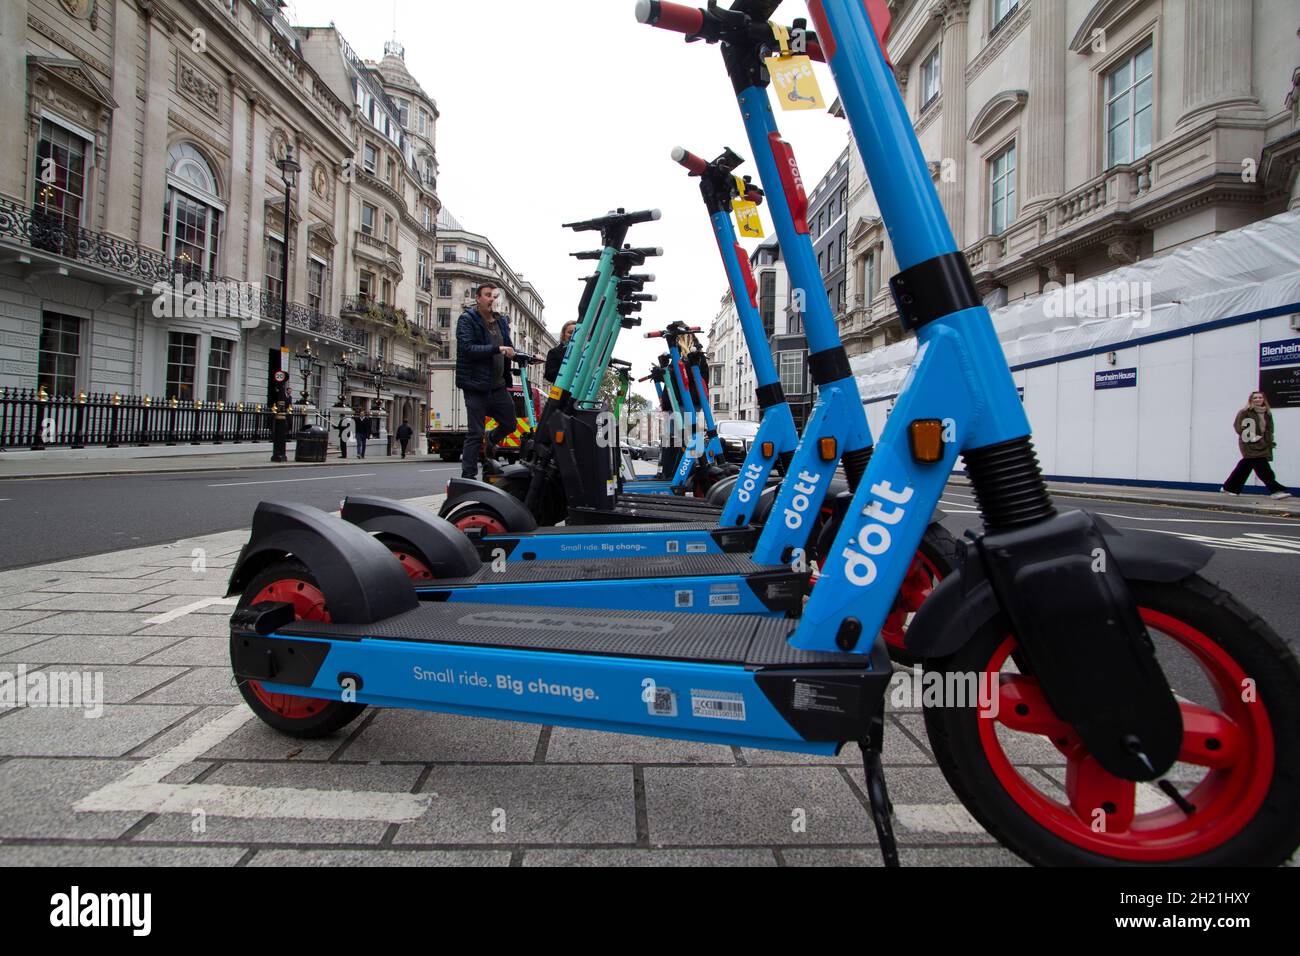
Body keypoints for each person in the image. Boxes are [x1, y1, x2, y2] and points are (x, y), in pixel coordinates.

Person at [456, 282, 517, 479]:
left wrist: (526, 356)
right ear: (478, 298)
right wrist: (496, 349)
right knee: (475, 433)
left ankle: (491, 438)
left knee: (510, 424)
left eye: (495, 296)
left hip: (498, 386)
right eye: (488, 295)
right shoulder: (467, 320)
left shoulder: (500, 322)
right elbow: (467, 349)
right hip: (476, 386)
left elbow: (508, 347)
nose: (492, 299)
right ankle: (469, 476)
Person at [1221, 391, 1292, 498]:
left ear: (1263, 399)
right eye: (1255, 398)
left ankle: (1229, 487)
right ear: (1251, 400)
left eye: (1260, 397)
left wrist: (1269, 442)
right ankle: (1275, 491)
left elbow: (1269, 430)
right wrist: (1256, 439)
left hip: (1263, 445)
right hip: (1249, 444)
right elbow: (1240, 428)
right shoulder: (1245, 412)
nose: (1258, 399)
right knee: (1263, 468)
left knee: (1245, 467)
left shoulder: (1267, 413)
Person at [544, 320, 578, 388]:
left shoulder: (584, 352)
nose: (573, 335)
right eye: (570, 332)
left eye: (576, 332)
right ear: (563, 334)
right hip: (561, 392)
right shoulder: (554, 352)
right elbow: (549, 376)